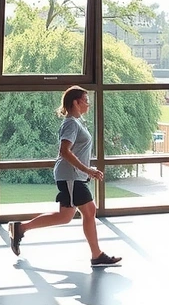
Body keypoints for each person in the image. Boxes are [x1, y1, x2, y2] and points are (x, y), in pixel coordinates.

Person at [8, 86, 122, 268]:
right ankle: (97, 255)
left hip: (74, 175)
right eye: (86, 100)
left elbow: (76, 151)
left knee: (66, 216)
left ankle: (20, 228)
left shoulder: (77, 122)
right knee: (89, 211)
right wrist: (87, 170)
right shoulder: (70, 123)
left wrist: (87, 169)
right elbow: (64, 151)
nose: (88, 104)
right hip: (70, 176)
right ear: (75, 102)